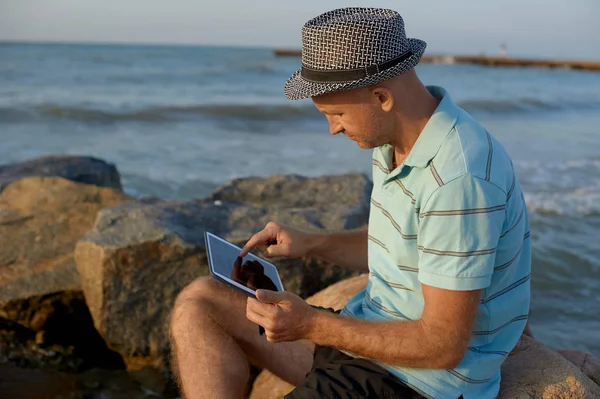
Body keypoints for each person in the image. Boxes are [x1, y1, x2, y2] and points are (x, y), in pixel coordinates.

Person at [169, 7, 531, 399]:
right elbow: (401, 247)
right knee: (200, 300)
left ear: (381, 96)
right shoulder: (395, 142)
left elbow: (442, 345)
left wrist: (310, 325)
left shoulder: (459, 178)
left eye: (337, 113)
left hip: (419, 382)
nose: (333, 128)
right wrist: (311, 244)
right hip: (366, 339)